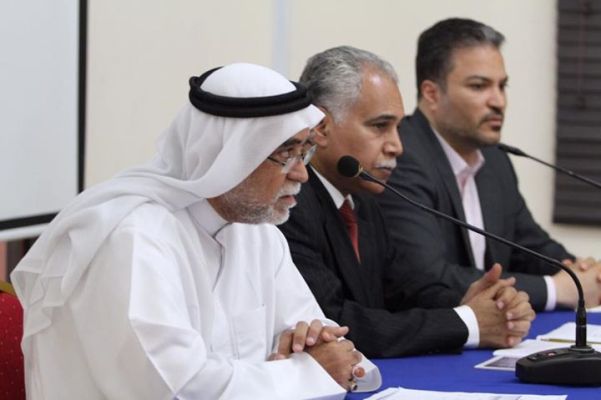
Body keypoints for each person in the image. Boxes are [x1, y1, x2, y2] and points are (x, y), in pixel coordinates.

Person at [11, 63, 380, 399]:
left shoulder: (258, 234)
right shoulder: (134, 238)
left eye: (305, 152)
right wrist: (310, 373)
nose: (301, 173)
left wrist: (321, 350)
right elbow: (178, 387)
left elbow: (336, 354)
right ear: (230, 154)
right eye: (286, 154)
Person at [279, 46, 535, 358]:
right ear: (320, 127)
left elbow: (403, 291)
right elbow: (335, 321)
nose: (397, 146)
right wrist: (469, 321)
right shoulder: (289, 205)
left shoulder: (363, 200)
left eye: (398, 128)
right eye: (380, 126)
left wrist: (473, 302)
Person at [376, 18, 601, 312]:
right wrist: (555, 290)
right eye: (479, 86)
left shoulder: (494, 159)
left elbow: (530, 246)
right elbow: (425, 277)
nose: (498, 101)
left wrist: (580, 272)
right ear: (432, 94)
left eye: (502, 86)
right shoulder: (401, 157)